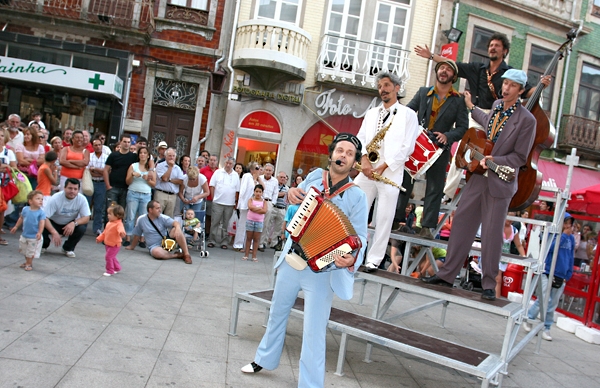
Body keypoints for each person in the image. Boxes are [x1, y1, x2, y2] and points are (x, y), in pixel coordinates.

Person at [240, 133, 368, 387]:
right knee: (277, 311)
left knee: (314, 329)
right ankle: (264, 358)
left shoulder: (357, 196)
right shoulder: (314, 177)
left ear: (354, 163)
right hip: (293, 256)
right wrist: (290, 195)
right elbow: (295, 202)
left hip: (323, 269)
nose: (342, 155)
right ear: (331, 154)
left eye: (349, 153)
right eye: (339, 150)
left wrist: (350, 257)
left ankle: (310, 384)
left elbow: (361, 236)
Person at [423, 69, 537, 301]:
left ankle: (488, 284)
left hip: (500, 182)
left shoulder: (527, 120)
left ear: (521, 90)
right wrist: (471, 106)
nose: (505, 88)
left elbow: (520, 157)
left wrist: (496, 160)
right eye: (504, 83)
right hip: (477, 177)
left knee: (493, 235)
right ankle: (446, 275)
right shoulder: (496, 106)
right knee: (461, 224)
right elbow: (489, 123)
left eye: (512, 85)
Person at [415, 33, 551, 201]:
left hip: (499, 116)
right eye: (491, 45)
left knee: (495, 152)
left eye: (497, 46)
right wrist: (431, 56)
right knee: (461, 149)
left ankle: (490, 185)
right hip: (477, 114)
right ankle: (448, 193)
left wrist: (541, 86)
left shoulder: (509, 74)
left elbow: (528, 91)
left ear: (505, 51)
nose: (492, 48)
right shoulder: (477, 68)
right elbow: (454, 65)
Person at [396, 59, 469, 239]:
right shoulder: (423, 92)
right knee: (404, 181)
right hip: (416, 144)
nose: (443, 71)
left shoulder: (458, 101)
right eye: (441, 68)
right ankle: (397, 221)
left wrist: (448, 136)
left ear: (454, 76)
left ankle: (427, 227)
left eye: (448, 69)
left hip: (439, 149)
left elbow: (463, 127)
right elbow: (407, 112)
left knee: (435, 187)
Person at [355, 71, 420, 272]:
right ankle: (351, 253)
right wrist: (365, 161)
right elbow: (361, 138)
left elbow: (408, 147)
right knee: (355, 209)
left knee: (383, 218)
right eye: (380, 86)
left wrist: (384, 166)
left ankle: (373, 260)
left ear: (397, 88)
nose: (382, 89)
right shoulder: (372, 113)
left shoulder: (409, 115)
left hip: (390, 171)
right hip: (366, 170)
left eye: (386, 85)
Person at [523, 215, 575, 341]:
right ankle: (530, 318)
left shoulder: (571, 239)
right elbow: (549, 249)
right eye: (566, 223)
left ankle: (547, 327)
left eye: (570, 224)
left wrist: (568, 274)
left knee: (552, 303)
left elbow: (571, 255)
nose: (568, 226)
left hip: (561, 275)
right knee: (543, 298)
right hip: (547, 272)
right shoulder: (553, 234)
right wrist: (563, 236)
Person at [125, 200, 192, 264]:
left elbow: (176, 223)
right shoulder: (141, 219)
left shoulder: (163, 217)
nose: (160, 210)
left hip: (167, 242)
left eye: (160, 208)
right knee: (157, 253)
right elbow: (137, 234)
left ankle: (186, 254)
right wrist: (132, 247)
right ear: (150, 210)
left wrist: (177, 228)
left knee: (177, 229)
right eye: (157, 208)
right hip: (154, 246)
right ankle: (176, 255)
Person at [42, 178, 91, 258]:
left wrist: (74, 223)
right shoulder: (55, 198)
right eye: (70, 188)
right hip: (53, 222)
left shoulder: (82, 199)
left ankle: (68, 248)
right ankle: (43, 245)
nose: (72, 191)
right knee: (40, 223)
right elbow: (45, 217)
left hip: (70, 223)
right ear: (64, 188)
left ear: (78, 190)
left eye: (75, 189)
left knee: (82, 228)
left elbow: (86, 217)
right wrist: (53, 232)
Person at [125, 146, 156, 246]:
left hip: (146, 194)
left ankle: (141, 239)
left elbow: (154, 184)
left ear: (148, 155)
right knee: (130, 216)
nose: (142, 155)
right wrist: (132, 175)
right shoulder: (133, 166)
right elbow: (127, 181)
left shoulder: (151, 169)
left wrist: (148, 179)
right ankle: (128, 237)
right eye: (141, 153)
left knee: (144, 217)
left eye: (144, 153)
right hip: (133, 193)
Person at [207, 157, 240, 249]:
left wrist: (236, 202)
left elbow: (237, 190)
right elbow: (212, 186)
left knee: (226, 223)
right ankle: (212, 240)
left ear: (233, 165)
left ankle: (224, 241)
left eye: (230, 163)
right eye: (227, 163)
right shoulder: (218, 172)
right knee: (215, 222)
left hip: (230, 203)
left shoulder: (235, 175)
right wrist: (213, 198)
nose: (228, 165)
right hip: (218, 202)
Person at [10, 190, 46, 271]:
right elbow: (21, 218)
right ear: (30, 201)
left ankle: (29, 263)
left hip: (34, 236)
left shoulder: (41, 213)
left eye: (42, 199)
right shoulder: (25, 209)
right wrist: (16, 226)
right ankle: (27, 262)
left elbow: (42, 223)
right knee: (24, 250)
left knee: (31, 251)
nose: (41, 201)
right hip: (25, 234)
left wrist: (40, 232)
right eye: (38, 198)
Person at [104, 134, 137, 218]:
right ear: (120, 142)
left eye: (128, 142)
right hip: (113, 187)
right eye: (124, 142)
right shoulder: (113, 155)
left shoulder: (133, 157)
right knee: (111, 211)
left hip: (126, 188)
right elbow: (105, 170)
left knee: (121, 213)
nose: (126, 144)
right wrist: (108, 186)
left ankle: (118, 230)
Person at [233, 162, 263, 251]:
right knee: (242, 225)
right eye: (257, 168)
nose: (258, 170)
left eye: (259, 168)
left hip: (255, 205)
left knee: (251, 226)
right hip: (245, 204)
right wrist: (240, 203)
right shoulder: (247, 176)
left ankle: (249, 245)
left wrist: (257, 178)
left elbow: (262, 188)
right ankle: (238, 244)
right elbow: (243, 190)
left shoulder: (258, 179)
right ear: (252, 169)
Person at [96, 204, 126, 276]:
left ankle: (110, 270)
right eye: (108, 213)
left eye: (110, 214)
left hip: (115, 244)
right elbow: (105, 233)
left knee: (108, 257)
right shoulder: (109, 223)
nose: (108, 215)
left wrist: (122, 233)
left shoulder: (119, 223)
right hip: (108, 244)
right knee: (112, 257)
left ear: (117, 215)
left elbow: (121, 229)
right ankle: (117, 267)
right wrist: (99, 238)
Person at [154, 147, 184, 218]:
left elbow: (181, 181)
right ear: (165, 156)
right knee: (157, 215)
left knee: (169, 217)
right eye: (170, 156)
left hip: (172, 195)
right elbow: (164, 178)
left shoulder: (178, 168)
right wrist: (170, 167)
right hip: (161, 193)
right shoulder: (160, 166)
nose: (171, 157)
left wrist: (170, 180)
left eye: (173, 156)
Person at [88, 138, 109, 235]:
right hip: (90, 182)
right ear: (92, 146)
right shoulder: (89, 156)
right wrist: (101, 172)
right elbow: (88, 171)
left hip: (101, 183)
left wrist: (96, 169)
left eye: (99, 145)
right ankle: (82, 226)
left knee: (98, 207)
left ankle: (97, 228)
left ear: (102, 145)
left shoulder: (106, 157)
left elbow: (107, 171)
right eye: (95, 145)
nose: (97, 147)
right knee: (87, 205)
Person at [242, 184, 268, 262]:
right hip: (250, 220)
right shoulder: (251, 199)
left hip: (259, 222)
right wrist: (259, 208)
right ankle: (246, 255)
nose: (258, 193)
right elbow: (250, 207)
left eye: (260, 192)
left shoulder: (264, 201)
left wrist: (255, 209)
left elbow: (264, 211)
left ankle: (254, 256)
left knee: (256, 239)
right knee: (249, 238)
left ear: (262, 193)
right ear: (254, 192)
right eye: (256, 191)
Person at [0, 130, 17, 240]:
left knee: (2, 210)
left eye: (1, 135)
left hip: (4, 185)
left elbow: (14, 168)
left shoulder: (8, 152)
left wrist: (7, 167)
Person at [258, 163, 279, 251]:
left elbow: (275, 193)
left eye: (270, 170)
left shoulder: (275, 181)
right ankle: (253, 242)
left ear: (272, 172)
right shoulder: (260, 178)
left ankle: (261, 243)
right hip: (259, 201)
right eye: (266, 170)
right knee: (256, 221)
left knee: (266, 224)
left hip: (269, 202)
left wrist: (273, 203)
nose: (268, 172)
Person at [200, 154, 219, 238]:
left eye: (214, 160)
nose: (212, 162)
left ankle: (207, 233)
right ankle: (197, 232)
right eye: (211, 160)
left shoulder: (219, 172)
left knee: (209, 216)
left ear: (217, 162)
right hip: (203, 197)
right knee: (200, 215)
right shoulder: (203, 170)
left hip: (213, 198)